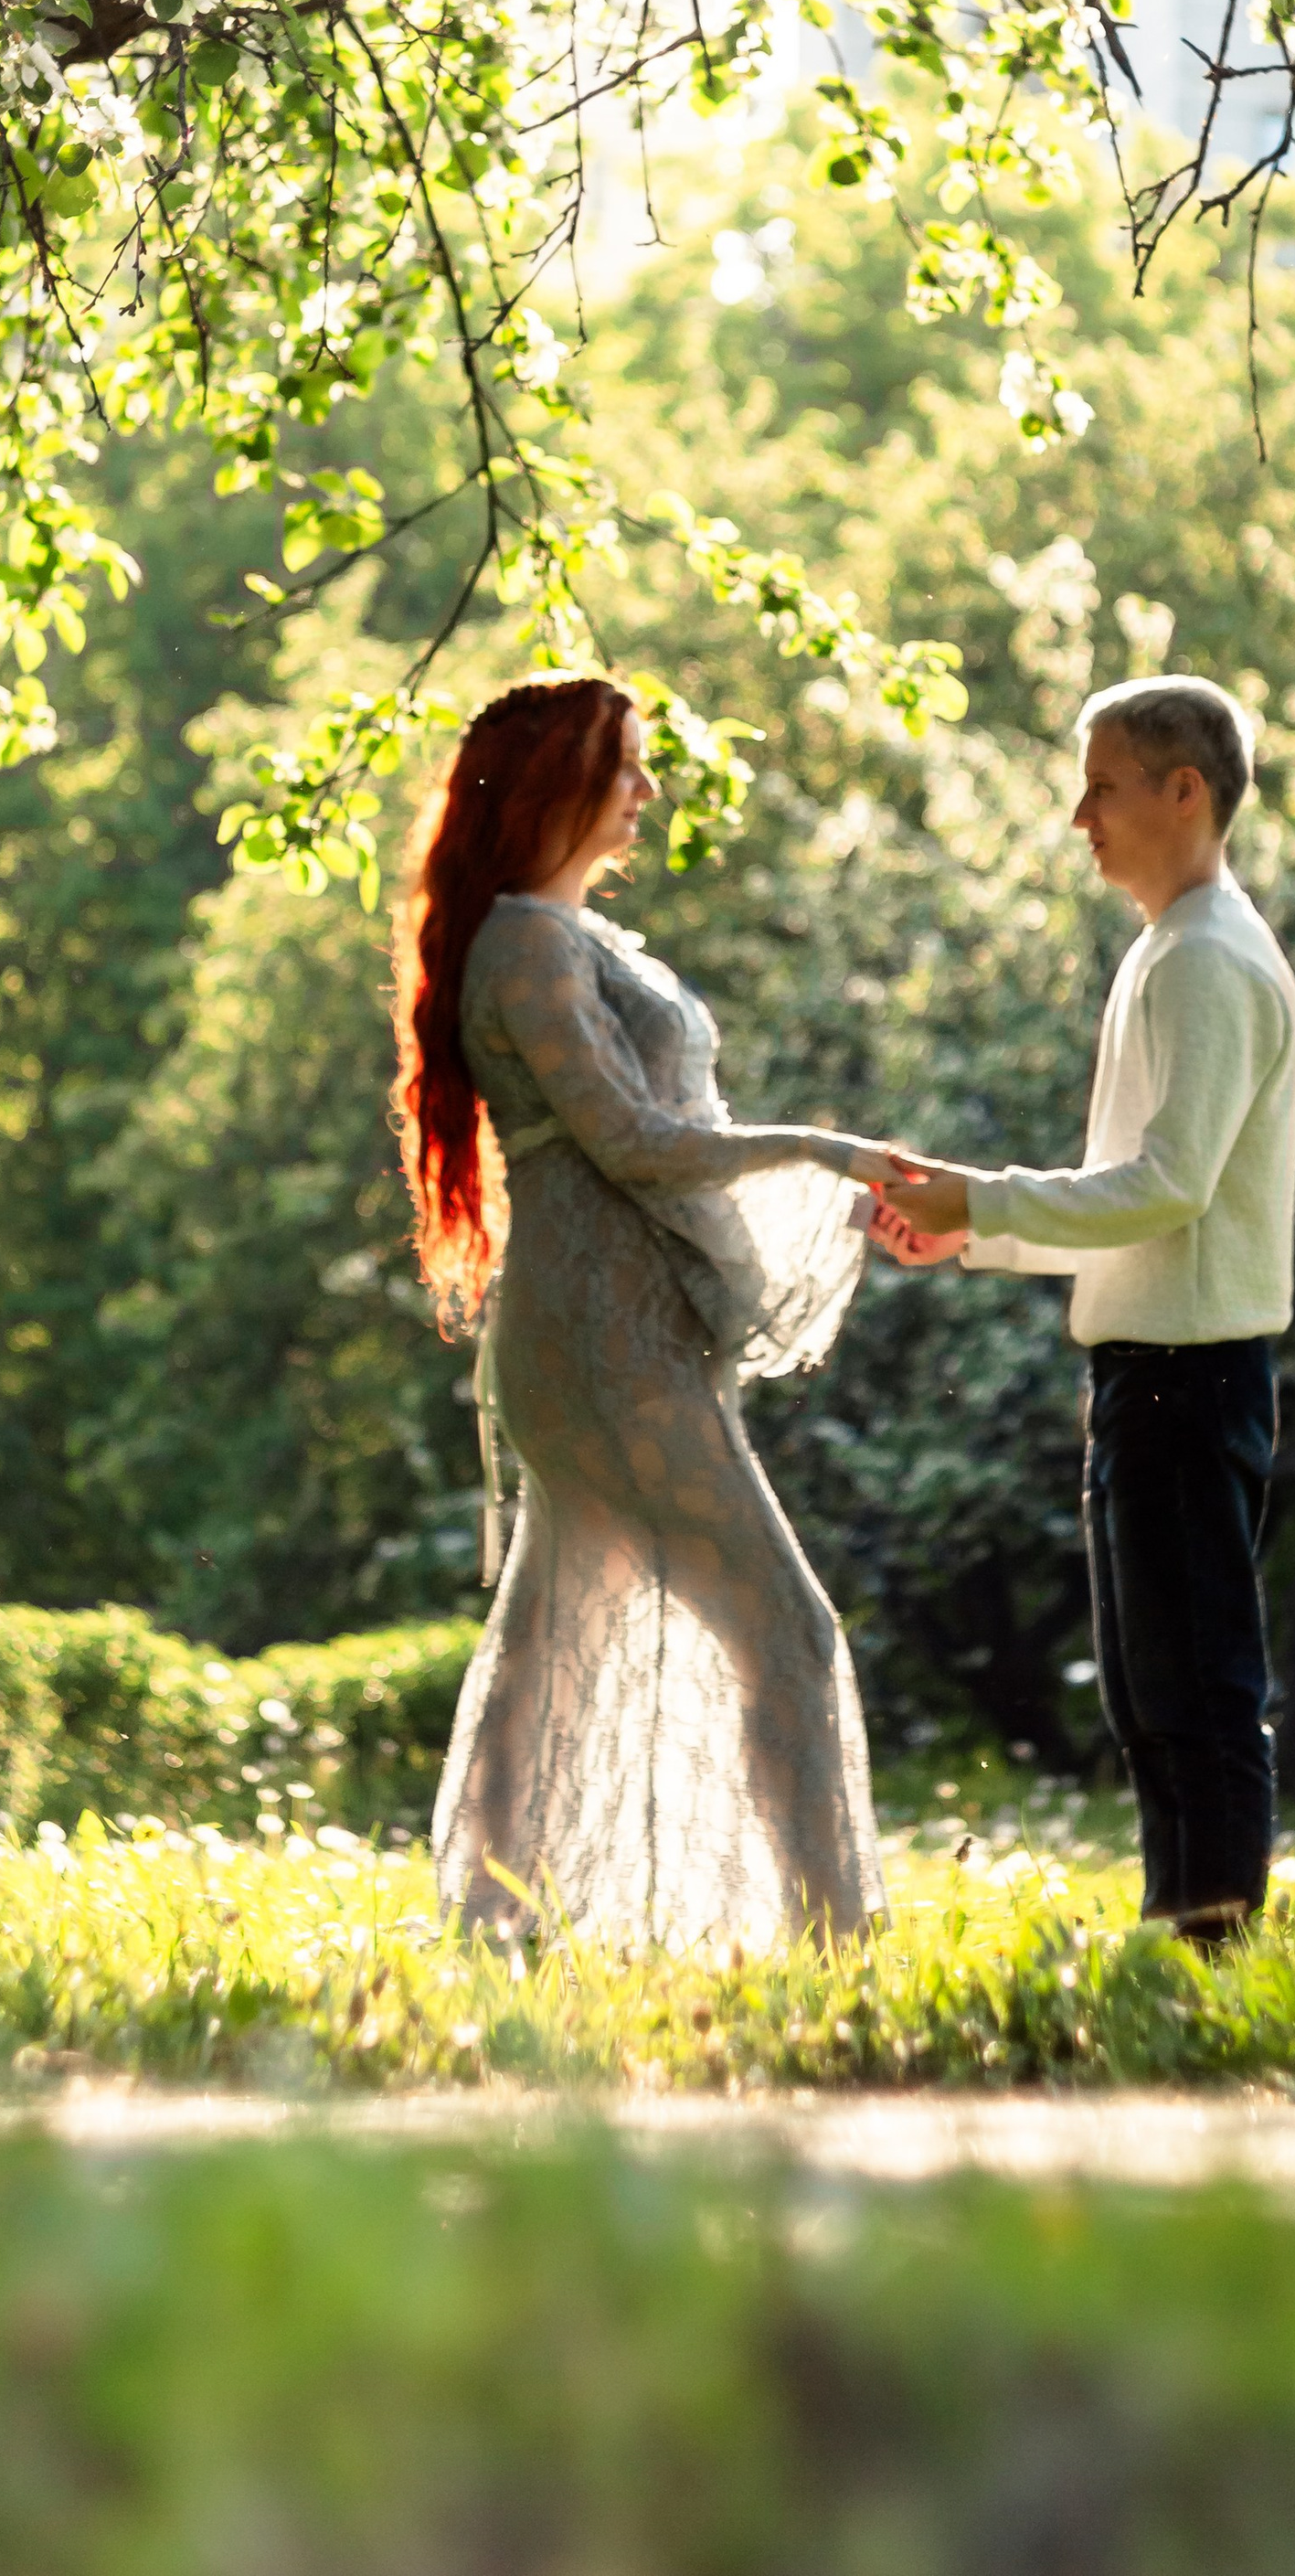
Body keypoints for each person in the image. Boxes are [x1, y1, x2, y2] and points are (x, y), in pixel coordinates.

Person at [395, 672, 895, 1952]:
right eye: (627, 765)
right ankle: (835, 1944)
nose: (649, 791)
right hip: (596, 1343)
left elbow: (674, 1139)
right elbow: (638, 1142)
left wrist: (832, 1189)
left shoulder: (577, 942)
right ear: (559, 781)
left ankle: (494, 1942)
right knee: (782, 1623)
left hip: (625, 1333)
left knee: (556, 1646)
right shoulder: (523, 947)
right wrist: (830, 1154)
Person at [875, 676, 1295, 1948]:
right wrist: (966, 1230)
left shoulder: (1209, 963)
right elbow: (1135, 1191)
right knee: (1146, 1688)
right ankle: (1187, 1935)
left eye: (1102, 784)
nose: (1078, 817)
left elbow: (1168, 1187)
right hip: (1148, 1368)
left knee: (1196, 1687)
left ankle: (1217, 1948)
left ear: (1186, 792)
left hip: (1190, 1373)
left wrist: (976, 1200)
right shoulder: (1169, 951)